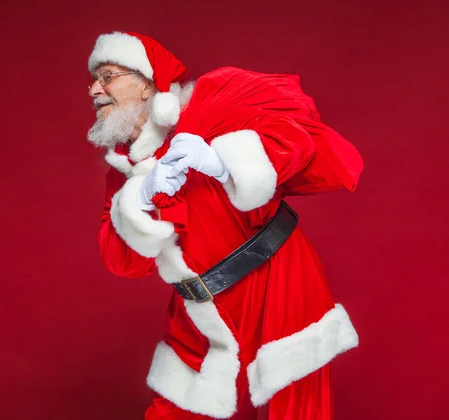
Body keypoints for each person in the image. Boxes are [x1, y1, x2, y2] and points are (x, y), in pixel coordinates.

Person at [86, 31, 363, 420]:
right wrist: (140, 199)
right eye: (94, 79)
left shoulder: (209, 104)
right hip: (198, 304)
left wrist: (223, 161)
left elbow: (299, 139)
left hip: (275, 280)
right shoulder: (123, 173)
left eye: (109, 75)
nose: (95, 89)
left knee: (299, 406)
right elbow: (123, 263)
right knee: (173, 410)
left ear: (146, 84)